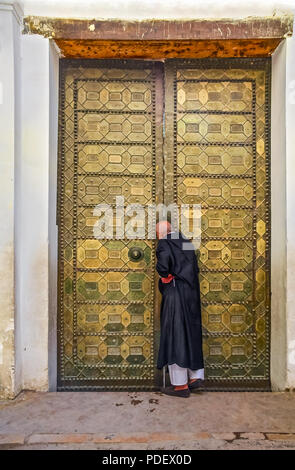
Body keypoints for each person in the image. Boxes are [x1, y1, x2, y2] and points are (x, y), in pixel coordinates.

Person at [155, 220, 205, 398]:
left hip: (175, 294)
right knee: (191, 333)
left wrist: (165, 276)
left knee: (175, 335)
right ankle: (195, 377)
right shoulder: (186, 241)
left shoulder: (164, 242)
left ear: (161, 232)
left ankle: (180, 386)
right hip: (191, 294)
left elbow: (163, 266)